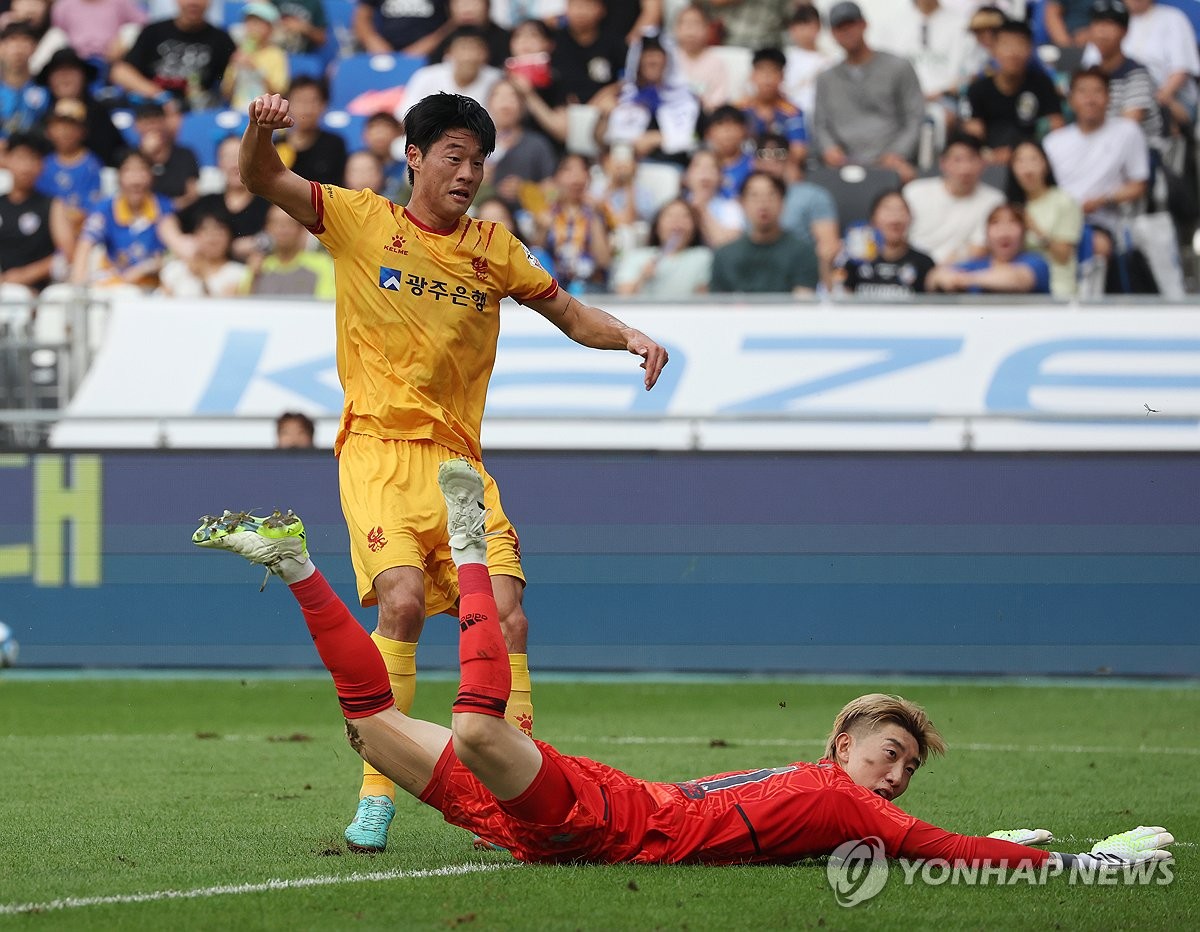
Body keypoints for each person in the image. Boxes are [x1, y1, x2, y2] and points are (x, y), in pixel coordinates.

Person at [191, 459, 1176, 869]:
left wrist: (1014, 832)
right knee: (479, 724)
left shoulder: (845, 808)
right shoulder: (841, 797)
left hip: (553, 835)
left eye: (904, 766)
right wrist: (1075, 862)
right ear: (843, 741)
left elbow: (925, 839)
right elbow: (933, 847)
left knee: (368, 724)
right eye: (889, 751)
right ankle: (471, 541)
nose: (895, 771)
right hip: (611, 818)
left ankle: (298, 567)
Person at [237, 88, 668, 853]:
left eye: (478, 161)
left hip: (459, 466)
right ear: (414, 157)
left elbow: (570, 314)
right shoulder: (359, 220)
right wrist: (258, 132)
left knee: (508, 618)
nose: (468, 172)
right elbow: (265, 180)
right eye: (453, 156)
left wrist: (629, 333)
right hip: (376, 451)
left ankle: (521, 804)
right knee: (399, 603)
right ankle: (378, 794)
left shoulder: (495, 247)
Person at [812, 1, 925, 184]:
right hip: (844, 164)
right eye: (840, 27)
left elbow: (915, 116)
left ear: (864, 24)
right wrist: (830, 149)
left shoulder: (898, 67)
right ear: (833, 34)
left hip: (891, 160)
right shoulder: (826, 78)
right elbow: (821, 123)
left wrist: (898, 153)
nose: (847, 32)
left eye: (852, 24)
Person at [1042, 68, 1148, 250]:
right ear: (1071, 100)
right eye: (1082, 92)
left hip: (1102, 222)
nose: (1090, 100)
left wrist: (1103, 200)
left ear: (1109, 98)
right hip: (1056, 219)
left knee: (1092, 244)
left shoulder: (1127, 131)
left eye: (1097, 91)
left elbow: (1138, 185)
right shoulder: (1053, 141)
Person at [72, 148, 188, 292]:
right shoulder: (106, 209)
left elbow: (176, 245)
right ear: (119, 176)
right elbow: (85, 245)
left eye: (142, 171)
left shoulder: (162, 207)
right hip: (115, 284)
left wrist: (145, 268)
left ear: (152, 176)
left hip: (154, 287)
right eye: (129, 171)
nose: (136, 180)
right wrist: (77, 287)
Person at [962, 19, 1064, 163]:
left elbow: (1057, 130)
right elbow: (971, 138)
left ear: (1030, 49)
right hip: (990, 162)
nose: (1013, 53)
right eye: (1007, 45)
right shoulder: (978, 89)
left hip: (1032, 159)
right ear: (994, 49)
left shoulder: (1043, 84)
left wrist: (1024, 154)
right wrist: (989, 156)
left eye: (1020, 44)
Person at [596, 31, 700, 167]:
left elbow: (697, 139)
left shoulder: (685, 98)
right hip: (621, 168)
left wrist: (659, 138)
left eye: (657, 55)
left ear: (668, 59)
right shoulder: (623, 96)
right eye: (646, 55)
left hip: (669, 167)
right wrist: (604, 116)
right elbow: (600, 142)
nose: (651, 60)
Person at [110, 0, 235, 111]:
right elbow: (120, 72)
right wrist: (159, 96)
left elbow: (227, 80)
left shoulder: (221, 39)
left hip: (195, 109)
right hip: (151, 107)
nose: (193, 3)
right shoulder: (154, 31)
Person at [903, 132, 1005, 264]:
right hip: (909, 267)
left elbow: (978, 249)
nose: (965, 168)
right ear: (942, 163)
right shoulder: (914, 192)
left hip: (957, 273)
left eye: (972, 159)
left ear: (983, 163)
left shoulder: (994, 201)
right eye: (957, 160)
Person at [709, 170, 818, 294]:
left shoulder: (802, 252)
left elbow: (803, 302)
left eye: (771, 195)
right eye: (754, 196)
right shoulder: (724, 256)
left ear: (783, 202)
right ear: (742, 204)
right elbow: (718, 306)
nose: (763, 203)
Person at [1005, 138, 1083, 298]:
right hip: (1015, 282)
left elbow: (1063, 255)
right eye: (1020, 161)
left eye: (1033, 159)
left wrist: (1035, 229)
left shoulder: (1064, 201)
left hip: (1056, 284)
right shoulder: (1009, 206)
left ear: (1045, 164)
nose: (1027, 169)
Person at [1085, 0, 1164, 148]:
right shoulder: (1090, 73)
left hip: (1139, 153)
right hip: (1098, 150)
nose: (1102, 32)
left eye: (1109, 25)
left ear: (1125, 31)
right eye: (1097, 24)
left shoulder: (1137, 73)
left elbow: (1128, 128)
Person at [925, 203, 1051, 294]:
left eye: (1012, 224)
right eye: (996, 224)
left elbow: (1017, 279)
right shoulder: (977, 264)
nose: (1004, 232)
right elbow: (933, 278)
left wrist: (966, 280)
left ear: (1023, 233)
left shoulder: (1036, 263)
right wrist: (946, 278)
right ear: (986, 235)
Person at [534, 152, 614, 293]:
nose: (577, 177)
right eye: (568, 170)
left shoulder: (597, 211)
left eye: (582, 170)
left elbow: (604, 261)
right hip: (554, 286)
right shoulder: (547, 211)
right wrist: (542, 228)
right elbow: (535, 256)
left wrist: (595, 217)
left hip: (590, 286)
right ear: (556, 177)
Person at [181, 135, 270, 261]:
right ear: (218, 163)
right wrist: (181, 243)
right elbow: (168, 221)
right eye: (227, 157)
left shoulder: (267, 203)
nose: (234, 163)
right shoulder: (208, 202)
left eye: (240, 155)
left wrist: (258, 243)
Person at [0, 134, 68, 294]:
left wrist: (25, 275)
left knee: (14, 294)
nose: (26, 167)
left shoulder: (52, 205)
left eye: (33, 159)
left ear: (42, 165)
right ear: (7, 160)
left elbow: (67, 254)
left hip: (35, 291)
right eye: (20, 158)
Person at [36, 47, 124, 167]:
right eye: (58, 73)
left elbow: (112, 152)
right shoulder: (42, 114)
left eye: (71, 71)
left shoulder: (99, 113)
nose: (65, 78)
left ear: (84, 77)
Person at [836, 190, 934, 297]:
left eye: (901, 210)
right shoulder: (855, 260)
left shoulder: (924, 262)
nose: (895, 218)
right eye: (888, 210)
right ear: (873, 218)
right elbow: (840, 299)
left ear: (910, 218)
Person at [612, 197, 712, 296]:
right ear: (657, 225)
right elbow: (623, 297)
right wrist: (643, 278)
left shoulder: (702, 257)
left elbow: (704, 299)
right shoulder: (636, 257)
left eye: (685, 216)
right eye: (670, 216)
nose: (677, 222)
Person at [36, 98, 103, 241]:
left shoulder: (91, 164)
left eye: (72, 126)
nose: (65, 131)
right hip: (44, 234)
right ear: (49, 130)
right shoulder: (43, 164)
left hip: (79, 234)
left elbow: (90, 207)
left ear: (83, 131)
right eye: (59, 125)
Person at [736, 46, 807, 173]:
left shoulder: (792, 113)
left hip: (779, 172)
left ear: (782, 76)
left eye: (773, 71)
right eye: (762, 71)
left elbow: (798, 152)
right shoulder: (739, 109)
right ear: (752, 75)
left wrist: (769, 161)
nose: (767, 79)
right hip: (744, 171)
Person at [241, 203, 335, 297]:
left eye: (289, 223)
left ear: (302, 228)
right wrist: (253, 277)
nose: (282, 228)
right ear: (267, 228)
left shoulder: (322, 264)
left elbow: (325, 303)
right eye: (276, 223)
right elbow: (242, 304)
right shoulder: (258, 265)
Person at [402, 26, 502, 110]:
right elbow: (405, 112)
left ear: (486, 53)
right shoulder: (426, 76)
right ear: (448, 53)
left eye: (475, 48)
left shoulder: (497, 80)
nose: (468, 56)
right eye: (463, 48)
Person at [549, 0, 627, 105]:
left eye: (587, 5)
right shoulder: (553, 41)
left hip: (602, 104)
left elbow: (627, 78)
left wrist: (601, 97)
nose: (581, 11)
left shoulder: (613, 41)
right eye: (576, 5)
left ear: (601, 9)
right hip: (562, 107)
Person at [274, 76, 346, 185]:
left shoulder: (335, 145)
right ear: (287, 105)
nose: (307, 109)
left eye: (313, 101)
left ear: (324, 105)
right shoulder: (276, 146)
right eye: (300, 101)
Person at [158, 208, 246, 296]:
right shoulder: (176, 269)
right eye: (206, 231)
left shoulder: (239, 274)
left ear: (230, 236)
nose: (212, 238)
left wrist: (201, 278)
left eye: (219, 231)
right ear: (195, 235)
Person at [222, 1, 290, 112]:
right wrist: (235, 67)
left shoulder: (276, 55)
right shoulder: (240, 53)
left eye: (259, 23)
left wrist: (255, 69)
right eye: (249, 22)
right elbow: (226, 93)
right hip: (239, 111)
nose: (253, 27)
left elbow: (279, 93)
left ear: (271, 28)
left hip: (266, 113)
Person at [134, 102, 201, 212]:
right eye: (146, 120)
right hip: (141, 217)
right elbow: (130, 192)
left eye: (157, 118)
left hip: (180, 213)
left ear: (165, 122)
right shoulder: (131, 157)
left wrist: (168, 208)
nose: (152, 125)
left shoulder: (185, 154)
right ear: (137, 125)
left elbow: (193, 195)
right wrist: (145, 155)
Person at [672, 3, 732, 112]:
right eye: (685, 24)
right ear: (676, 29)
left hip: (705, 115)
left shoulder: (716, 62)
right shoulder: (669, 58)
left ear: (708, 29)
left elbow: (719, 98)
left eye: (696, 24)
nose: (690, 31)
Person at [49, 0, 146, 63]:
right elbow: (56, 36)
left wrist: (124, 41)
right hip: (75, 63)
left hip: (112, 61)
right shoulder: (63, 6)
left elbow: (145, 26)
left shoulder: (120, 2)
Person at [0, 22, 49, 144]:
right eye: (12, 40)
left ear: (35, 47)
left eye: (25, 41)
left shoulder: (46, 89)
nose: (18, 48)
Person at [354, 0, 451, 57]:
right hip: (385, 53)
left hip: (433, 55)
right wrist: (373, 41)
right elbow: (362, 18)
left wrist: (431, 44)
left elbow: (457, 20)